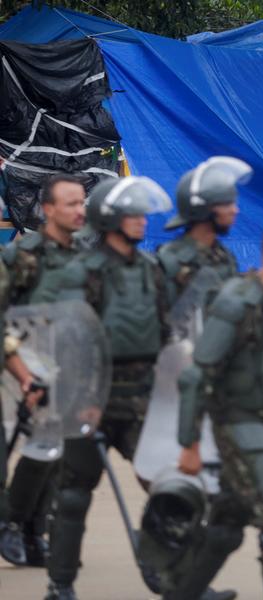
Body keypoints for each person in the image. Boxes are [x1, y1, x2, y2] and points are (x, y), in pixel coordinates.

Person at [42, 176, 173, 600]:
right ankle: (60, 584)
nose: (142, 221)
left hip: (139, 398)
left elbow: (165, 331)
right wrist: (81, 400)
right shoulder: (83, 272)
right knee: (75, 495)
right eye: (132, 214)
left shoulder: (151, 270)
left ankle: (167, 571)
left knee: (166, 485)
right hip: (91, 399)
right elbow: (68, 341)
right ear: (112, 219)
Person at [172, 223, 263, 600]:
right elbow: (196, 377)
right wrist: (188, 444)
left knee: (227, 525)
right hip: (239, 424)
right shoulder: (237, 303)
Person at [0, 173, 87, 568]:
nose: (80, 210)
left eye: (82, 202)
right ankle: (12, 525)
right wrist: (23, 372)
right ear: (47, 209)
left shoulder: (86, 258)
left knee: (54, 455)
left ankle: (34, 533)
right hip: (15, 365)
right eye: (70, 203)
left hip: (62, 368)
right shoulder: (22, 256)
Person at [157, 157, 246, 297]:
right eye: (226, 204)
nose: (235, 210)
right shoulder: (168, 260)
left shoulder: (225, 256)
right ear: (203, 208)